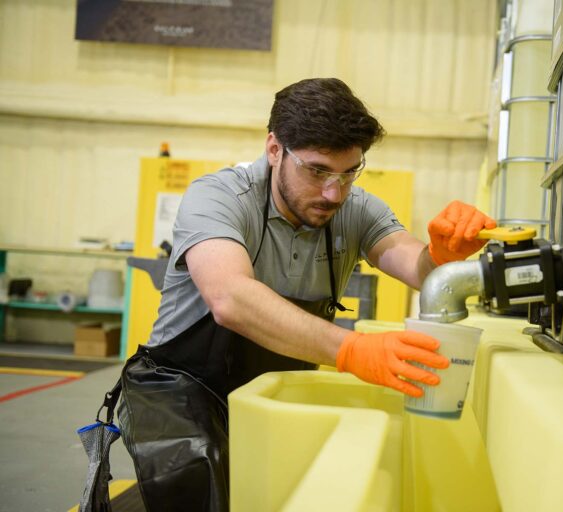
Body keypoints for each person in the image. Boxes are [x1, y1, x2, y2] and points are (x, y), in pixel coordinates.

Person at [117, 77, 496, 512]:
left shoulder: (357, 210)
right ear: (275, 148)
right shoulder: (218, 197)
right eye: (317, 171)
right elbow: (230, 299)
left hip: (268, 387)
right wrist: (352, 350)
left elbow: (416, 267)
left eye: (349, 171)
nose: (334, 193)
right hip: (178, 390)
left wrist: (444, 255)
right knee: (201, 481)